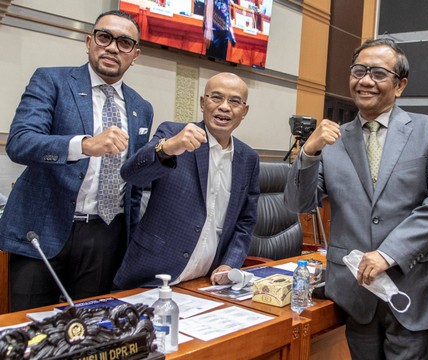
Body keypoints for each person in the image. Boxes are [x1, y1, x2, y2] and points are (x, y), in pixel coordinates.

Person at [284, 38, 428, 359]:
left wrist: (390, 253)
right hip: (356, 294)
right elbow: (298, 204)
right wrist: (308, 153)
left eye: (378, 73)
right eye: (359, 71)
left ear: (400, 85)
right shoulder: (332, 139)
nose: (365, 80)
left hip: (415, 290)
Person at [0, 10, 154, 311]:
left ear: (135, 55)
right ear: (89, 41)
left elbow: (133, 183)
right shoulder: (52, 81)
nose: (112, 47)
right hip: (41, 230)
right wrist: (84, 145)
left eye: (124, 43)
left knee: (90, 331)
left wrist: (131, 241)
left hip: (105, 235)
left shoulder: (141, 108)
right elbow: (20, 143)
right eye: (104, 37)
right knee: (31, 334)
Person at [113, 72, 259, 289]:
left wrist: (231, 262)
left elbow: (245, 222)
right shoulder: (173, 134)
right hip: (151, 278)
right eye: (216, 98)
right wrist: (167, 148)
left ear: (244, 111)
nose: (225, 107)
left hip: (206, 283)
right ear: (203, 102)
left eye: (235, 101)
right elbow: (132, 174)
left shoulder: (248, 158)